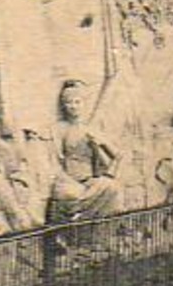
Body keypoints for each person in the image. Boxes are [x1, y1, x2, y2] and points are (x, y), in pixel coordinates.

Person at [46, 80, 121, 223]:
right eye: (69, 103)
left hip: (89, 181)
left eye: (77, 102)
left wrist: (109, 173)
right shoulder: (58, 128)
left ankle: (87, 223)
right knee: (69, 194)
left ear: (84, 104)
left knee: (112, 188)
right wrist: (64, 178)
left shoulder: (91, 130)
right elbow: (55, 160)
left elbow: (118, 155)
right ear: (63, 105)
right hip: (66, 181)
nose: (73, 106)